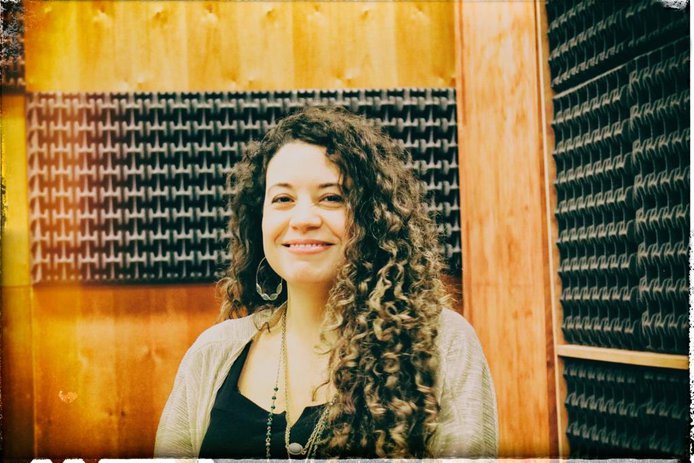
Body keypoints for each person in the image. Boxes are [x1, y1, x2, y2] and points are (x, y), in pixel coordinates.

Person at [154, 106, 498, 458]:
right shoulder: (213, 352)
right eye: (283, 199)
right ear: (260, 220)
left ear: (373, 216)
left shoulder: (441, 344)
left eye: (332, 198)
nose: (303, 219)